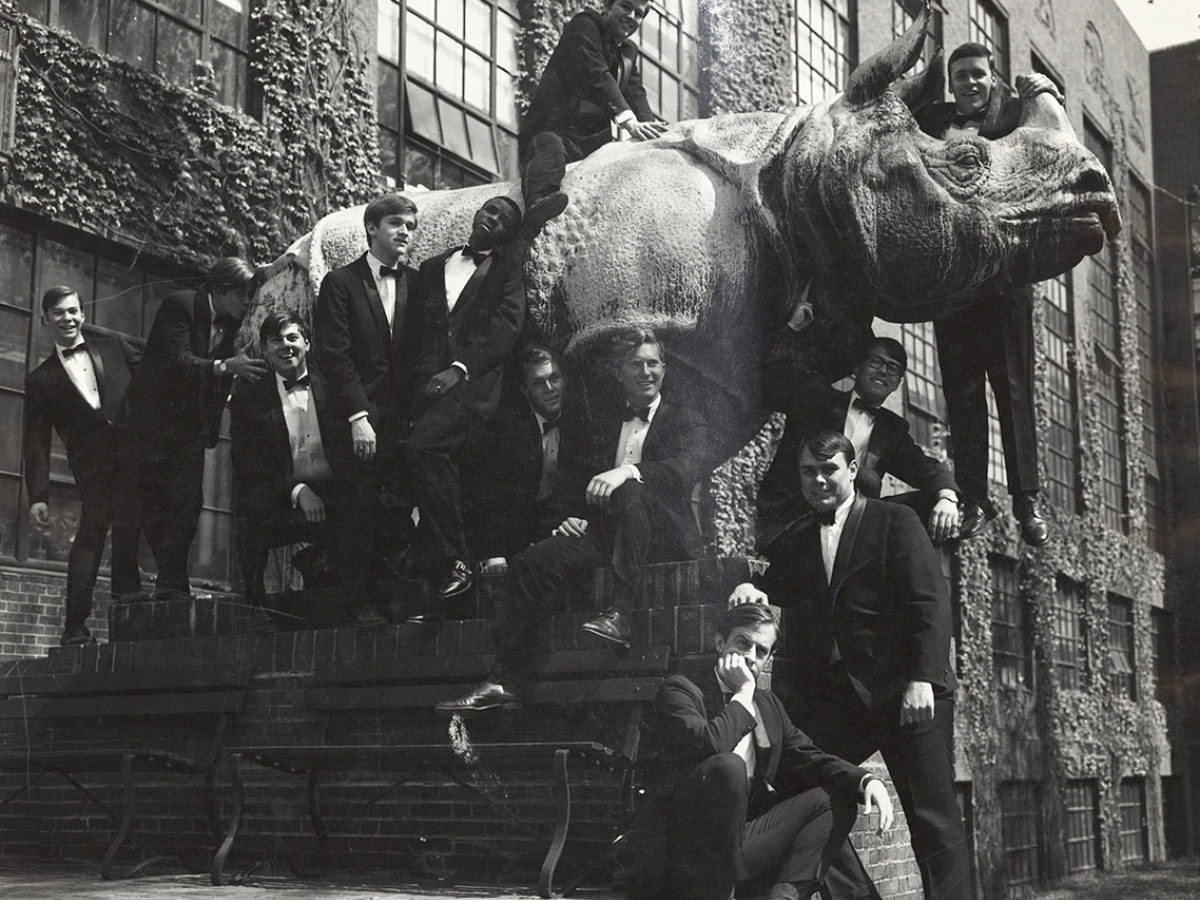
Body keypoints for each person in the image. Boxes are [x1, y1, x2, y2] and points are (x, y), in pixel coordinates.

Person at [730, 430, 972, 900]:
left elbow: (931, 603)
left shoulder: (896, 520)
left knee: (933, 819)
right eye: (808, 471)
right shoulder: (799, 538)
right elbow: (775, 583)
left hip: (910, 692)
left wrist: (922, 678)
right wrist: (753, 588)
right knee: (802, 787)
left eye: (829, 470)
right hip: (850, 700)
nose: (818, 480)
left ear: (852, 471)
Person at [437, 328, 708, 712]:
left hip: (662, 536)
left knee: (630, 489)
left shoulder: (686, 420)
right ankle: (504, 680)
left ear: (664, 369)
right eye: (636, 364)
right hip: (607, 531)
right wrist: (571, 517)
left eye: (653, 363)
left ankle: (619, 615)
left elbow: (685, 469)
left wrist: (627, 473)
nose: (646, 372)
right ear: (619, 373)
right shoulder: (600, 420)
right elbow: (577, 476)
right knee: (530, 564)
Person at [625, 602, 892, 900]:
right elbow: (710, 744)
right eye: (742, 643)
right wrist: (742, 694)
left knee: (834, 797)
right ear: (719, 642)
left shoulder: (768, 705)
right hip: (683, 856)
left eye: (761, 651)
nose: (751, 657)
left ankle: (785, 894)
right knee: (728, 766)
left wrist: (866, 780)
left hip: (739, 849)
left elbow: (810, 756)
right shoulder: (681, 690)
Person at [915, 42, 1065, 548]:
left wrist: (1042, 87)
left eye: (978, 74)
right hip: (954, 281)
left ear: (991, 76)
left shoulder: (1014, 115)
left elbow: (1054, 124)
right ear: (951, 82)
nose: (970, 83)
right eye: (961, 76)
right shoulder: (933, 119)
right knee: (961, 392)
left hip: (1004, 280)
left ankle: (1027, 499)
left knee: (1013, 387)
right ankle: (974, 497)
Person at [404, 196, 526, 618]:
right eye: (490, 211)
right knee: (414, 466)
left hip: (473, 390)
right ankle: (439, 575)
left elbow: (506, 330)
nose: (492, 220)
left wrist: (459, 369)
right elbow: (417, 331)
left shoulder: (506, 272)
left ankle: (456, 559)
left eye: (503, 221)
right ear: (476, 214)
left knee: (423, 450)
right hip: (427, 390)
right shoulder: (432, 267)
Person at [119, 257, 267, 600]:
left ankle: (171, 580)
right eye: (243, 295)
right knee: (148, 500)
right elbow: (177, 361)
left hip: (189, 426)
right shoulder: (180, 305)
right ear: (220, 289)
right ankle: (164, 584)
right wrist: (224, 366)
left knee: (188, 502)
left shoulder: (234, 322)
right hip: (150, 423)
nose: (248, 303)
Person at [758, 337, 982, 551]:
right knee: (867, 479)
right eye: (876, 362)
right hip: (796, 514)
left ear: (897, 384)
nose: (884, 371)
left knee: (922, 500)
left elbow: (925, 467)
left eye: (893, 369)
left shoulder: (892, 429)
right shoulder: (818, 399)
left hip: (852, 522)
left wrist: (947, 497)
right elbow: (777, 377)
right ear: (857, 368)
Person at [314, 192, 421, 625]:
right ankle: (357, 603)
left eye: (411, 227)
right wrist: (359, 418)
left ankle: (390, 596)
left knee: (396, 511)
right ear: (372, 228)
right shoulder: (340, 283)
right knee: (358, 511)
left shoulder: (417, 282)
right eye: (396, 223)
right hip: (358, 418)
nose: (405, 233)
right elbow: (334, 356)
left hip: (404, 422)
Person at [22, 286, 145, 646]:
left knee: (130, 523)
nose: (68, 318)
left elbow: (149, 384)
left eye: (73, 311)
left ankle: (127, 603)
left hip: (130, 452)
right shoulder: (40, 380)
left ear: (83, 315)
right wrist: (38, 496)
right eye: (59, 313)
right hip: (91, 464)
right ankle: (75, 626)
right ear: (45, 319)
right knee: (92, 533)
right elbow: (35, 441)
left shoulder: (112, 346)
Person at [229, 310, 364, 619]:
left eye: (292, 338)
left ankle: (358, 602)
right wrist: (297, 489)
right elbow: (248, 463)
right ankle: (255, 605)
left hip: (334, 490)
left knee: (364, 507)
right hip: (282, 493)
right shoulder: (249, 398)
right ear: (265, 350)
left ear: (307, 342)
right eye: (276, 341)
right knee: (250, 511)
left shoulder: (334, 386)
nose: (286, 346)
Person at [519, 0, 666, 236]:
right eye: (625, 7)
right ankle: (538, 207)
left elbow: (636, 93)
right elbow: (597, 72)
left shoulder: (627, 52)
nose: (631, 16)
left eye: (639, 14)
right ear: (607, 7)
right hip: (552, 128)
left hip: (591, 140)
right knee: (551, 151)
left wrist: (652, 132)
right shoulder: (585, 25)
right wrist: (629, 121)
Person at [462, 345, 571, 575]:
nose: (550, 389)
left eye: (555, 378)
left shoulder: (578, 424)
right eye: (538, 383)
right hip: (511, 537)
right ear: (524, 390)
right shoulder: (508, 431)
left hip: (554, 532)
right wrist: (494, 552)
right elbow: (490, 497)